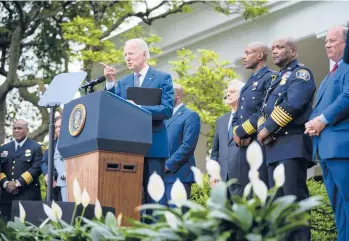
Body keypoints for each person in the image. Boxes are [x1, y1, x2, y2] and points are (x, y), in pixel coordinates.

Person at [102, 38, 174, 220]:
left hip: (154, 146)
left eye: (131, 53)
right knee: (131, 197)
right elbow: (113, 106)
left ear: (143, 54)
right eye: (125, 54)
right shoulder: (123, 82)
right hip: (129, 148)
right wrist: (110, 83)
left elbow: (166, 110)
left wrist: (138, 108)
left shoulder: (162, 78)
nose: (127, 58)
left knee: (154, 198)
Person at [257, 37, 316, 241]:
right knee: (279, 208)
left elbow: (293, 104)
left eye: (280, 47)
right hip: (273, 148)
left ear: (293, 51)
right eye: (273, 48)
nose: (274, 51)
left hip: (291, 144)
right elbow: (265, 110)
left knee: (294, 203)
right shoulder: (276, 79)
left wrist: (268, 129)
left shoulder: (301, 73)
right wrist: (262, 129)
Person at [305, 25, 349, 241]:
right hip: (325, 151)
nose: (327, 44)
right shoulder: (329, 76)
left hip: (342, 149)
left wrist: (321, 120)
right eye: (326, 42)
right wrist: (312, 123)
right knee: (338, 207)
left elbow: (347, 98)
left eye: (333, 40)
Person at [231, 42, 276, 193]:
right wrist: (237, 131)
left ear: (260, 55)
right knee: (247, 192)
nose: (244, 57)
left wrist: (243, 131)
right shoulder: (248, 83)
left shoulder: (270, 78)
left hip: (260, 142)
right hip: (244, 145)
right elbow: (238, 112)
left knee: (261, 191)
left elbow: (265, 110)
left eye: (248, 52)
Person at [162, 83, 200, 207]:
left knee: (177, 217)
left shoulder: (190, 115)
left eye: (166, 94)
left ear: (177, 95)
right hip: (160, 176)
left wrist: (167, 165)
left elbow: (188, 146)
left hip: (178, 175)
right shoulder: (163, 117)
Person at [0, 120, 43, 220]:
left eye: (20, 128)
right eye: (14, 128)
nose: (17, 131)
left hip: (28, 195)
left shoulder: (35, 147)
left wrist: (18, 183)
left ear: (27, 130)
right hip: (7, 196)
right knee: (7, 229)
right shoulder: (4, 148)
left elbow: (36, 168)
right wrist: (6, 183)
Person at [210, 80, 245, 197]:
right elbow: (215, 151)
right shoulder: (221, 120)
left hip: (242, 177)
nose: (228, 94)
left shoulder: (248, 118)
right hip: (222, 179)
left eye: (233, 91)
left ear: (243, 94)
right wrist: (213, 173)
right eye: (228, 92)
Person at [41, 115, 61, 201]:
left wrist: (53, 175)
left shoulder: (72, 144)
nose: (58, 129)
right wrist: (47, 175)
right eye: (56, 127)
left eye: (60, 126)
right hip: (51, 189)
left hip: (66, 186)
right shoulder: (52, 144)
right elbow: (43, 162)